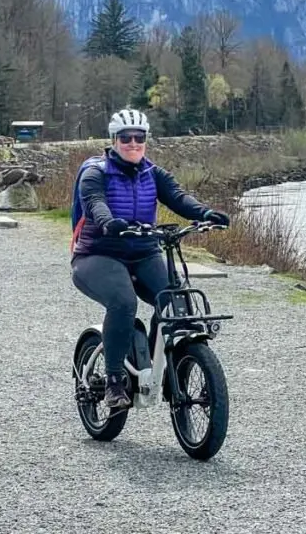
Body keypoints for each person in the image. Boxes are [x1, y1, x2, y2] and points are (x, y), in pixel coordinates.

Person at [71, 108, 230, 409]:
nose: (133, 143)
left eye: (139, 137)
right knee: (124, 301)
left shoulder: (152, 173)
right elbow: (94, 202)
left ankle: (166, 365)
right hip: (98, 254)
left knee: (176, 300)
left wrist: (205, 214)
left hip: (144, 252)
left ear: (146, 139)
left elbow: (178, 197)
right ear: (114, 140)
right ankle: (115, 380)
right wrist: (107, 221)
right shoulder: (96, 172)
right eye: (126, 137)